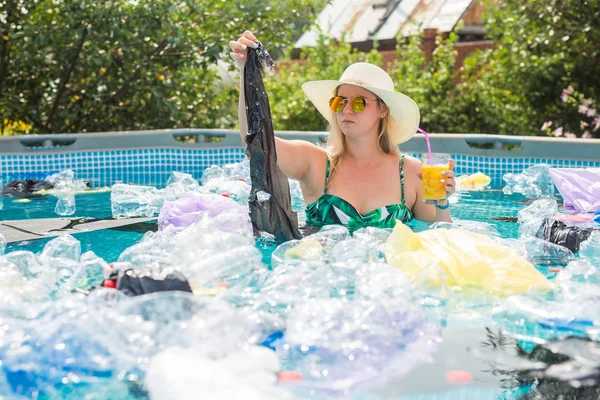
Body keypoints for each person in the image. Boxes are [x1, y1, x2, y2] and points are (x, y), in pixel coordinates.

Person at [229, 31, 455, 231]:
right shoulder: (314, 162)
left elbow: (438, 236)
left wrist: (442, 203)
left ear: (382, 110)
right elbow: (255, 142)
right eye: (340, 102)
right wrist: (246, 72)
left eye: (359, 103)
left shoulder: (413, 174)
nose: (346, 110)